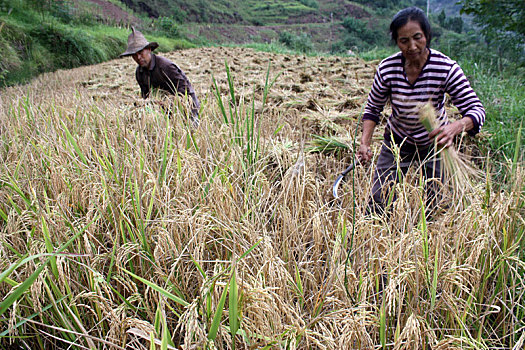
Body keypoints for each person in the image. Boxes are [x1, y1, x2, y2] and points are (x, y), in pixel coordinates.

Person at [357, 7, 485, 216]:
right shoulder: (387, 69)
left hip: (435, 142)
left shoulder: (446, 68)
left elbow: (476, 110)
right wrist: (365, 142)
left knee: (438, 202)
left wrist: (455, 127)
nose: (412, 46)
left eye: (418, 38)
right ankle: (378, 238)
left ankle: (431, 240)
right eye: (404, 41)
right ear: (396, 42)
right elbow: (373, 109)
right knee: (380, 200)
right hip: (397, 140)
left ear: (427, 35)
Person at [120, 27, 200, 126]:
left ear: (149, 49)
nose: (138, 58)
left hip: (185, 108)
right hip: (163, 111)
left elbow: (185, 91)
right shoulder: (139, 73)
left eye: (140, 53)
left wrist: (168, 102)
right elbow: (146, 96)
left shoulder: (165, 66)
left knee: (188, 130)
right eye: (134, 55)